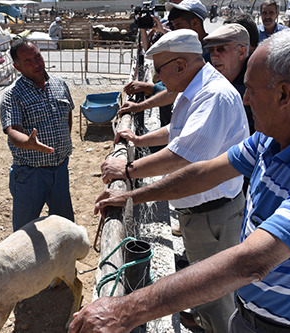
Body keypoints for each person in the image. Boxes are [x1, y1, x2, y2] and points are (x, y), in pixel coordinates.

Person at [70, 28, 290, 333]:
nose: (245, 100)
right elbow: (205, 171)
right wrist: (134, 197)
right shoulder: (271, 140)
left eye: (252, 89)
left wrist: (126, 309)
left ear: (284, 94)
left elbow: (251, 262)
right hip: (250, 313)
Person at [100, 29, 248, 333]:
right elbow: (178, 132)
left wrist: (127, 171)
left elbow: (182, 155)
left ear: (179, 66)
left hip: (212, 213)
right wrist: (140, 138)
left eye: (160, 70)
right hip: (203, 212)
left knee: (215, 295)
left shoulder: (213, 96)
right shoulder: (195, 88)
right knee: (204, 287)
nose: (158, 78)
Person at [0, 38, 75, 231]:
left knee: (64, 226)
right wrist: (29, 142)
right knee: (25, 232)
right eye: (28, 62)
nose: (36, 63)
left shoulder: (59, 84)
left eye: (37, 56)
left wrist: (62, 145)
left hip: (60, 169)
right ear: (17, 67)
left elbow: (68, 117)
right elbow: (13, 132)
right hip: (31, 174)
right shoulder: (12, 95)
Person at [119, 0, 211, 119]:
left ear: (194, 23)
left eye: (178, 26)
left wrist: (146, 87)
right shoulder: (188, 48)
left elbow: (180, 91)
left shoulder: (210, 55)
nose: (175, 31)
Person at [203, 23, 254, 134]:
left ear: (241, 52)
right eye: (211, 50)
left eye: (221, 49)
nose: (214, 56)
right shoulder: (211, 79)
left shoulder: (255, 87)